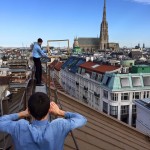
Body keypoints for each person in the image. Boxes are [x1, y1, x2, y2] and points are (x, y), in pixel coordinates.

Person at [0, 92, 87, 150]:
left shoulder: (19, 126)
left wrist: (21, 114)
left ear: (29, 110)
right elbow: (82, 119)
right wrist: (60, 112)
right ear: (49, 109)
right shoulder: (59, 126)